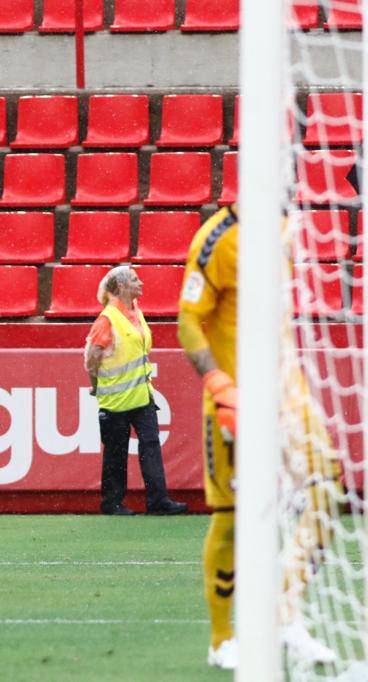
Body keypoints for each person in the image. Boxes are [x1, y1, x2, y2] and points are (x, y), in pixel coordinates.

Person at [178, 203, 337, 669]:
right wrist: (219, 384)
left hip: (287, 391)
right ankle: (223, 639)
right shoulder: (215, 240)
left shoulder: (286, 223)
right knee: (231, 517)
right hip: (235, 397)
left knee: (327, 484)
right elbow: (188, 320)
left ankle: (285, 615)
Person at [84, 266, 187, 517]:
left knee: (150, 446)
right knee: (116, 454)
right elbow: (92, 358)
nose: (140, 282)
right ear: (120, 287)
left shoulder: (136, 313)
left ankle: (158, 500)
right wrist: (96, 387)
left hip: (142, 396)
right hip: (116, 400)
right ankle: (112, 503)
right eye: (134, 279)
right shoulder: (107, 319)